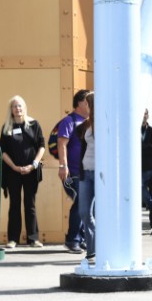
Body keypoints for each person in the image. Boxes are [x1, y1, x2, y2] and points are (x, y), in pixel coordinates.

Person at [0, 95, 45, 249]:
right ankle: (13, 239)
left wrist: (33, 164)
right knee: (14, 204)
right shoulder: (6, 127)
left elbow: (41, 146)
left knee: (30, 204)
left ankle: (33, 238)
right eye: (14, 106)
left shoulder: (34, 124)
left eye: (20, 106)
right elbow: (3, 151)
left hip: (31, 170)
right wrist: (14, 167)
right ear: (11, 110)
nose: (17, 109)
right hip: (13, 171)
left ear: (24, 108)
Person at [56, 89, 89, 252]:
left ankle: (81, 237)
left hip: (87, 171)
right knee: (80, 201)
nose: (90, 104)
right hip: (73, 171)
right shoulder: (69, 121)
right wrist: (63, 166)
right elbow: (62, 143)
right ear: (80, 102)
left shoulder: (91, 121)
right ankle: (72, 239)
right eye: (88, 100)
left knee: (86, 204)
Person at [74, 93, 95, 261]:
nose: (84, 107)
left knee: (100, 212)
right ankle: (92, 251)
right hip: (86, 172)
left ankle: (97, 250)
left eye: (86, 103)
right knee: (84, 212)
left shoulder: (103, 122)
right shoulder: (86, 125)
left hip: (101, 173)